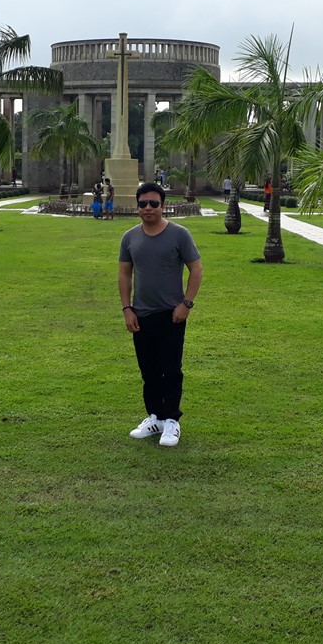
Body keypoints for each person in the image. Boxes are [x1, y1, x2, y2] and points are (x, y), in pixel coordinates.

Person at [118, 181, 203, 449]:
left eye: (154, 203)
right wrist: (126, 308)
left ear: (163, 206)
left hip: (172, 315)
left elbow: (196, 269)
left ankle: (172, 421)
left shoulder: (179, 234)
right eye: (143, 203)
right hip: (141, 314)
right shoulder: (130, 237)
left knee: (171, 369)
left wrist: (186, 304)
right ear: (137, 206)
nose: (148, 208)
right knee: (149, 370)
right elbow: (124, 274)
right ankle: (154, 418)